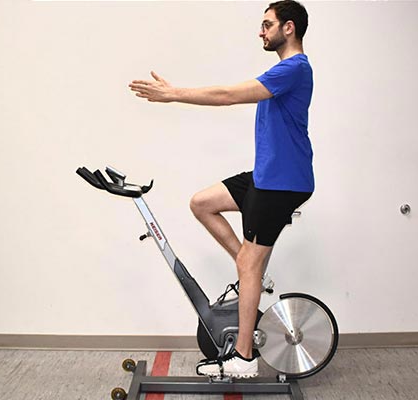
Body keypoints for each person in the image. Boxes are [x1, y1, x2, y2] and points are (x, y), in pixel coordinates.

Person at [129, 0, 313, 379]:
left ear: (289, 28)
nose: (261, 32)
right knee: (202, 203)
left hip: (283, 183)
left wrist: (174, 93)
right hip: (266, 176)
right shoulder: (282, 70)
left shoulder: (294, 68)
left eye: (267, 25)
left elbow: (227, 96)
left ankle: (244, 358)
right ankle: (250, 269)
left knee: (249, 262)